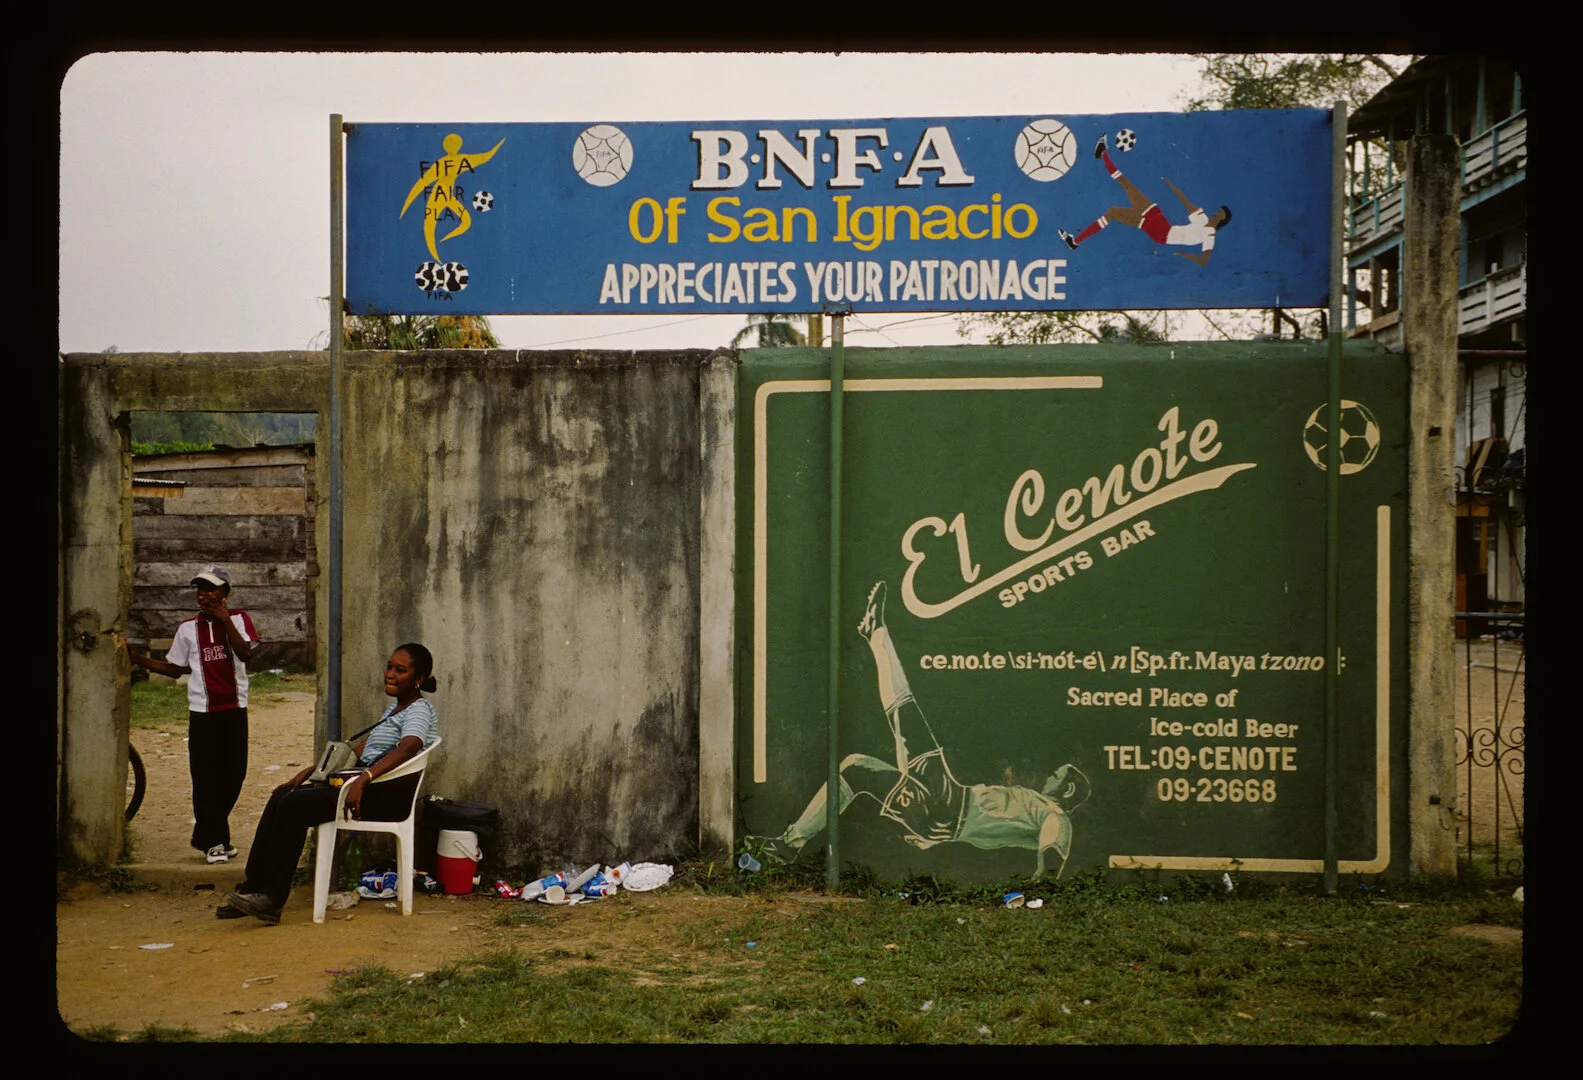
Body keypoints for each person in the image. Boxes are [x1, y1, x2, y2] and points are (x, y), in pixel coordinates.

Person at [749, 582, 1090, 879]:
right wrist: (934, 834)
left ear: (1069, 788)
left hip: (947, 803)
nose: (1049, 777)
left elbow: (1053, 845)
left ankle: (876, 633)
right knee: (856, 767)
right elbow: (996, 834)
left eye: (1058, 775)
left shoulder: (1054, 814)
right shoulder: (1036, 809)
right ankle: (787, 845)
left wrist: (1042, 886)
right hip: (943, 811)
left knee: (904, 717)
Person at [219, 644, 441, 924]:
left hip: (383, 796)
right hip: (365, 786)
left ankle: (272, 899)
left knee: (294, 806)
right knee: (283, 794)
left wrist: (364, 779)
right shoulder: (397, 709)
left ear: (419, 678)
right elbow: (360, 752)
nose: (390, 674)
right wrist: (315, 770)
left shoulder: (419, 709)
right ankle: (253, 888)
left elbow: (410, 746)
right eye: (389, 667)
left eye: (401, 670)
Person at [130, 565, 259, 864]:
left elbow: (245, 653)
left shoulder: (239, 620)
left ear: (225, 593)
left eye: (212, 588)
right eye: (200, 588)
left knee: (234, 774)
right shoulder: (188, 629)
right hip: (202, 713)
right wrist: (138, 659)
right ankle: (215, 842)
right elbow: (176, 668)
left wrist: (223, 618)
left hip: (234, 709)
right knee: (204, 777)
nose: (205, 594)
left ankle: (207, 833)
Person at [1058, 133, 1231, 266]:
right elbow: (1185, 202)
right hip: (1160, 228)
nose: (1216, 213)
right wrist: (1170, 185)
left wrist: (1183, 254)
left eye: (1219, 213)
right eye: (1218, 211)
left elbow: (1203, 261)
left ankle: (1103, 154)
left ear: (1222, 219)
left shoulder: (1209, 235)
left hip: (1162, 231)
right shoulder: (1202, 219)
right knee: (1113, 211)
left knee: (1126, 187)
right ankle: (1075, 242)